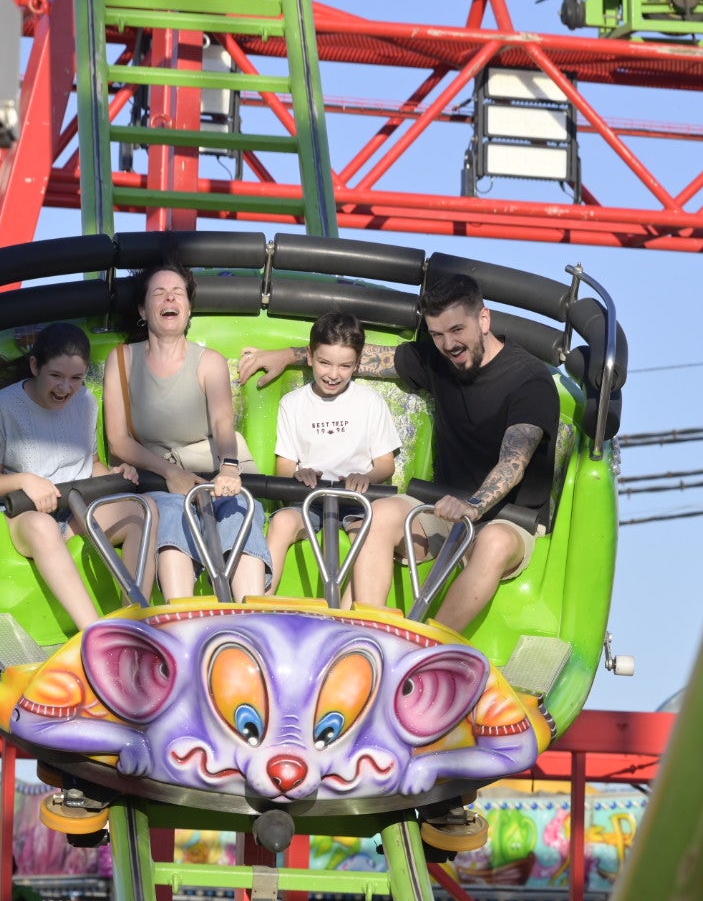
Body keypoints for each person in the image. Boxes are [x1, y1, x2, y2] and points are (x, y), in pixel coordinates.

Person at [240, 273, 557, 632]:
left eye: (457, 330)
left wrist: (474, 505)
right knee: (382, 511)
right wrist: (290, 355)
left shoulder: (528, 379)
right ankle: (360, 637)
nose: (448, 344)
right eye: (437, 334)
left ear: (483, 320)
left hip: (508, 518)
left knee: (494, 542)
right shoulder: (440, 358)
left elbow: (514, 462)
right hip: (441, 508)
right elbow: (370, 358)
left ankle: (427, 645)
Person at [103, 262, 270, 601]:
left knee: (238, 510)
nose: (170, 298)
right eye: (159, 293)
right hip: (157, 475)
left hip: (212, 468)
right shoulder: (121, 360)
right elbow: (118, 440)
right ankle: (181, 619)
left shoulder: (209, 361)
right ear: (143, 310)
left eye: (178, 293)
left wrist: (228, 467)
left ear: (188, 309)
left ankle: (251, 616)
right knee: (170, 512)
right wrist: (170, 473)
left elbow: (223, 422)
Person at [0, 321, 152, 628]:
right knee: (44, 526)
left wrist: (113, 473)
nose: (65, 389)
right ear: (35, 366)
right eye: (56, 376)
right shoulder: (2, 409)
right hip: (25, 516)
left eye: (76, 378)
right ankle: (94, 632)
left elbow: (91, 463)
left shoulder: (85, 402)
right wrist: (25, 481)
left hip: (75, 511)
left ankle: (134, 621)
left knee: (143, 509)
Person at [264, 311, 400, 593]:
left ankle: (351, 616)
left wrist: (367, 477)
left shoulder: (370, 402)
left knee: (369, 537)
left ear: (357, 364)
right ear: (311, 356)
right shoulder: (293, 404)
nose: (333, 374)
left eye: (344, 366)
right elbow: (285, 466)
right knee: (281, 521)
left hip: (358, 498)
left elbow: (386, 464)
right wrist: (299, 473)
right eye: (325, 363)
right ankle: (258, 602)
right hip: (311, 499)